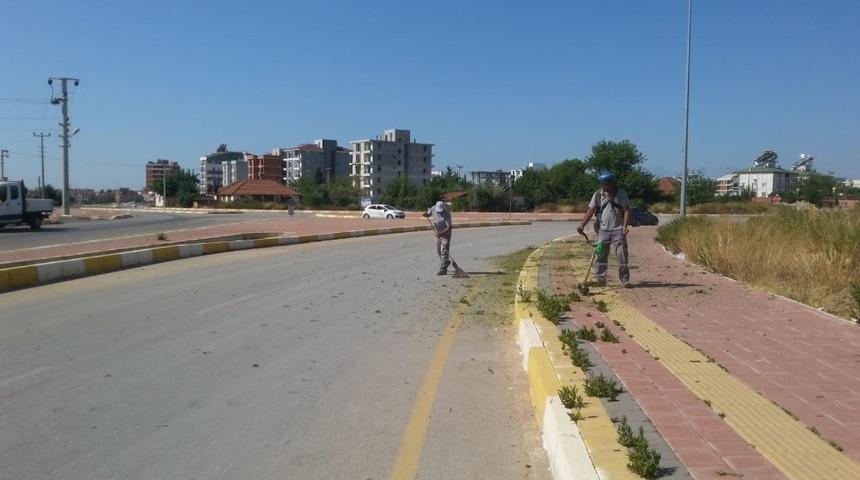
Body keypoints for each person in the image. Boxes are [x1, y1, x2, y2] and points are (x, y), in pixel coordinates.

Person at [577, 172, 631, 286]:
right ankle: (600, 280)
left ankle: (625, 279)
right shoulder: (597, 195)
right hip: (603, 230)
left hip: (618, 230)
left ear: (612, 183)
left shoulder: (621, 193)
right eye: (603, 183)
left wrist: (625, 226)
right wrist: (582, 225)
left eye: (606, 183)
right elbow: (591, 211)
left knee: (622, 255)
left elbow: (626, 210)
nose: (604, 186)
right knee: (600, 256)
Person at [423, 200, 452, 275]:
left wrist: (441, 233)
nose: (439, 212)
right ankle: (445, 262)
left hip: (446, 234)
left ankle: (443, 269)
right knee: (438, 250)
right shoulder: (433, 208)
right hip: (437, 233)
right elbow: (428, 214)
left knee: (444, 250)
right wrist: (426, 214)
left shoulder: (447, 213)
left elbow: (449, 227)